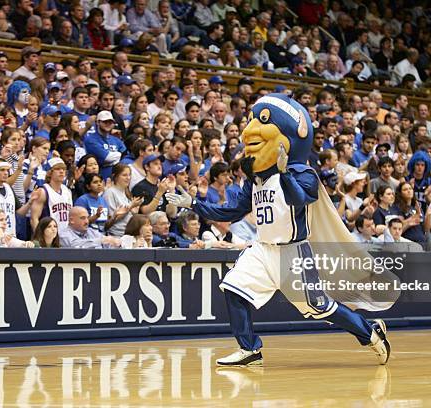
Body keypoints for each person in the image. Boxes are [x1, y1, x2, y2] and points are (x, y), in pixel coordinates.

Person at [167, 94, 395, 367]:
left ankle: (369, 332)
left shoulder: (303, 172)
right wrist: (193, 203)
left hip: (293, 252)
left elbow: (300, 200)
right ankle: (249, 349)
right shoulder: (256, 178)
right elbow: (230, 213)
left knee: (320, 307)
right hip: (263, 249)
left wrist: (285, 173)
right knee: (233, 287)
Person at [103, 163, 143, 236]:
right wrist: (130, 206)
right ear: (115, 176)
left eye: (129, 175)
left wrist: (134, 213)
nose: (128, 178)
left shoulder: (126, 192)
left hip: (129, 233)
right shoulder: (110, 193)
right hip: (117, 234)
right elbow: (112, 219)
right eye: (124, 175)